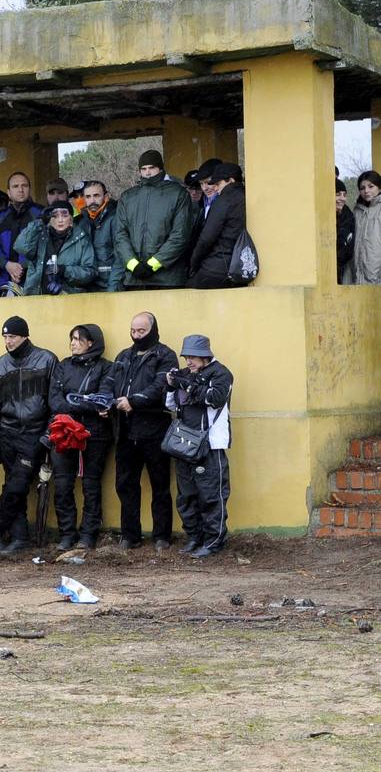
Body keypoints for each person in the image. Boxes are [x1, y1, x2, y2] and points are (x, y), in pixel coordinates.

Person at [101, 312, 179, 550]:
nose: (136, 335)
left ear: (153, 329)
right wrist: (104, 402)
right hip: (124, 430)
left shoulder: (165, 355)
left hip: (155, 428)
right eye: (133, 331)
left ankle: (162, 536)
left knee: (160, 485)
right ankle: (129, 535)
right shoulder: (124, 356)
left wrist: (134, 401)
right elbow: (109, 382)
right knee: (125, 484)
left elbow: (160, 386)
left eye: (141, 331)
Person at [0, 316, 57, 555]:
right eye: (5, 337)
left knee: (17, 485)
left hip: (33, 434)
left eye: (12, 337)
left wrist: (46, 436)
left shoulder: (46, 359)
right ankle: (19, 537)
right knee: (14, 485)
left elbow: (54, 404)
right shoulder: (1, 365)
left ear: (25, 336)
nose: (8, 342)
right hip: (7, 433)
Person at [166, 335, 234, 558]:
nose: (189, 362)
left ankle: (213, 541)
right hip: (184, 443)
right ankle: (194, 537)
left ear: (205, 356)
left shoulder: (221, 373)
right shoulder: (186, 375)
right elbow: (171, 404)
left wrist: (185, 383)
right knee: (186, 496)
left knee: (211, 495)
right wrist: (170, 385)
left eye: (193, 357)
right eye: (186, 358)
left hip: (210, 445)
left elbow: (215, 398)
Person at [46, 325, 113, 551]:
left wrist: (74, 400)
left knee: (90, 484)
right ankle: (67, 533)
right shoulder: (63, 366)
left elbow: (102, 400)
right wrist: (84, 402)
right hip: (64, 432)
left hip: (95, 435)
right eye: (71, 339)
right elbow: (54, 400)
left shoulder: (106, 368)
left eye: (78, 339)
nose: (73, 343)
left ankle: (88, 534)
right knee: (63, 484)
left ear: (91, 342)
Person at [114, 150, 196, 290]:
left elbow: (180, 236)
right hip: (135, 278)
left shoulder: (178, 194)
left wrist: (153, 264)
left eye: (152, 168)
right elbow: (120, 235)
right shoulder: (127, 197)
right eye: (143, 169)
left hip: (168, 278)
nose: (147, 173)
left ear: (161, 168)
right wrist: (133, 265)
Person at [13, 204, 97, 295]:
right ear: (49, 219)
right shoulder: (40, 234)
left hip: (68, 299)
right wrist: (39, 221)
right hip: (37, 298)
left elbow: (91, 272)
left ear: (71, 220)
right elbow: (20, 247)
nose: (60, 220)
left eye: (64, 215)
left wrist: (64, 270)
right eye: (55, 216)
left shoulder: (82, 239)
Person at [187, 163, 247, 288]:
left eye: (218, 184)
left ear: (231, 180)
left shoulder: (224, 200)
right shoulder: (247, 196)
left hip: (218, 267)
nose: (214, 188)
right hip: (242, 266)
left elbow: (206, 238)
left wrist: (193, 265)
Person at [0, 172, 44, 295]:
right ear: (8, 192)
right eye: (15, 186)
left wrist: (21, 267)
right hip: (3, 281)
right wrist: (7, 265)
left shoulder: (41, 214)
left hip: (34, 282)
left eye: (24, 186)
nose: (21, 189)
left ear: (29, 189)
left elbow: (46, 248)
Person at [74, 180, 122, 292]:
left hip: (111, 285)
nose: (92, 201)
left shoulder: (116, 218)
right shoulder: (81, 222)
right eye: (88, 197)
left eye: (96, 195)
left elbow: (121, 257)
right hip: (88, 286)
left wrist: (113, 287)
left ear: (106, 196)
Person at [349, 171, 381, 284]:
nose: (366, 191)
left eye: (371, 186)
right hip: (357, 275)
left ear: (379, 187)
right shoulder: (357, 211)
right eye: (362, 188)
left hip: (376, 277)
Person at [337, 176, 356, 284]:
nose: (342, 198)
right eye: (338, 194)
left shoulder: (349, 217)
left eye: (344, 195)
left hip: (344, 272)